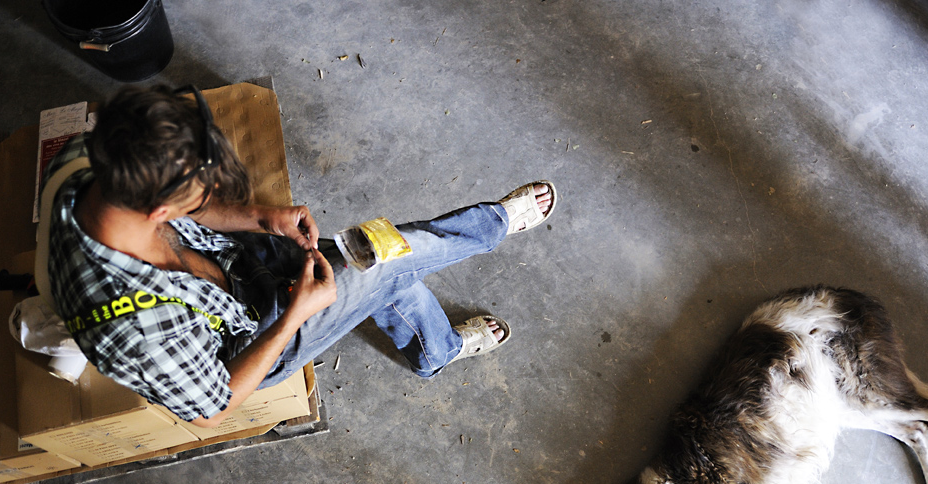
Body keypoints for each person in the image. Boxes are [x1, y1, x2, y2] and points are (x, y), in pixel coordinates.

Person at [42, 84, 556, 428]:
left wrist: (257, 218)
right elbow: (211, 408)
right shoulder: (133, 333)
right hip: (256, 337)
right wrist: (294, 316)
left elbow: (193, 216)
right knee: (391, 259)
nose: (208, 200)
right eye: (200, 194)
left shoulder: (88, 160)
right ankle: (492, 226)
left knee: (382, 276)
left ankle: (433, 350)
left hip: (235, 264)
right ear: (158, 210)